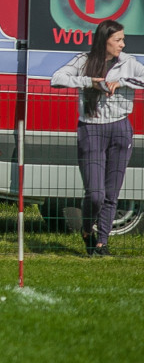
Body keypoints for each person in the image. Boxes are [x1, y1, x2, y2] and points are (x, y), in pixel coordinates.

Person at [51, 19, 144, 256]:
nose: (123, 44)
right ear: (104, 41)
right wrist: (90, 82)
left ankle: (102, 243)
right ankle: (86, 230)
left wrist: (121, 82)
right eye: (118, 40)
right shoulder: (83, 61)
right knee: (95, 194)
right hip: (91, 129)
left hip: (121, 130)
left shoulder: (128, 63)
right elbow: (57, 78)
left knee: (111, 194)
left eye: (123, 39)